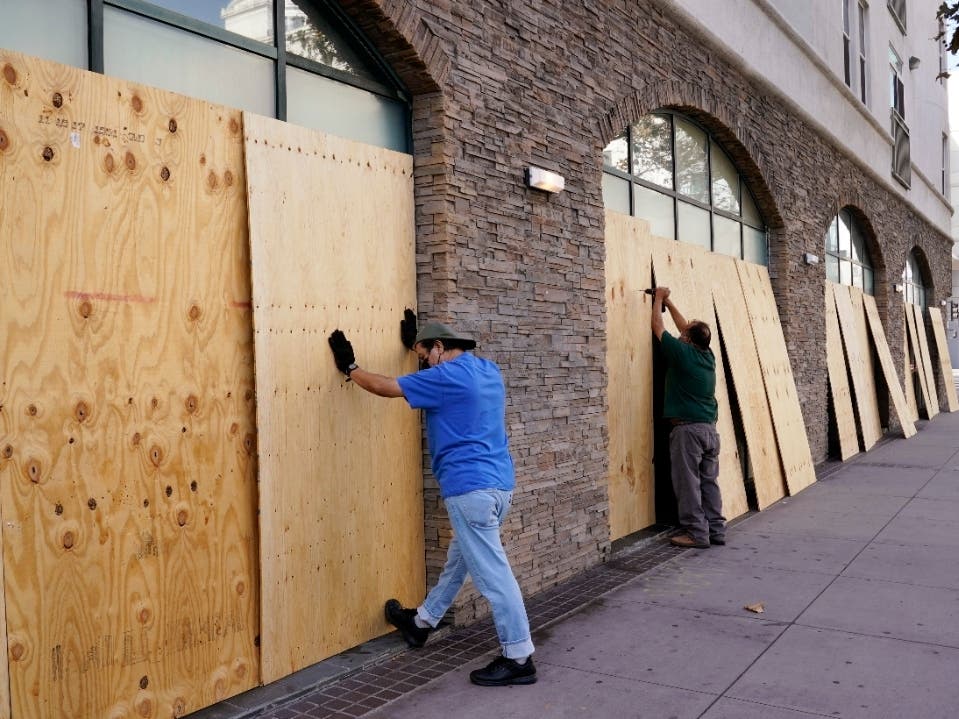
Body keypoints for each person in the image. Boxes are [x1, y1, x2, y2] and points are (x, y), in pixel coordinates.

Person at [327, 312, 537, 686]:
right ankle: (422, 622)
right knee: (460, 561)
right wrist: (419, 346)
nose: (423, 363)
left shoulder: (446, 376)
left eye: (425, 355)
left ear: (440, 349)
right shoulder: (488, 370)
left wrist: (351, 367)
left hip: (469, 489)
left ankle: (519, 656)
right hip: (499, 487)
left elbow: (387, 387)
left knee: (494, 577)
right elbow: (444, 383)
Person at [651, 287, 726, 549]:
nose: (681, 332)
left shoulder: (682, 354)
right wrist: (670, 303)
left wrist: (659, 299)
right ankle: (716, 529)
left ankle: (696, 533)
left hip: (688, 432)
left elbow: (658, 327)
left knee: (688, 484)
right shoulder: (707, 355)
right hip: (709, 431)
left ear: (687, 340)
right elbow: (687, 329)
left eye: (685, 333)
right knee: (708, 482)